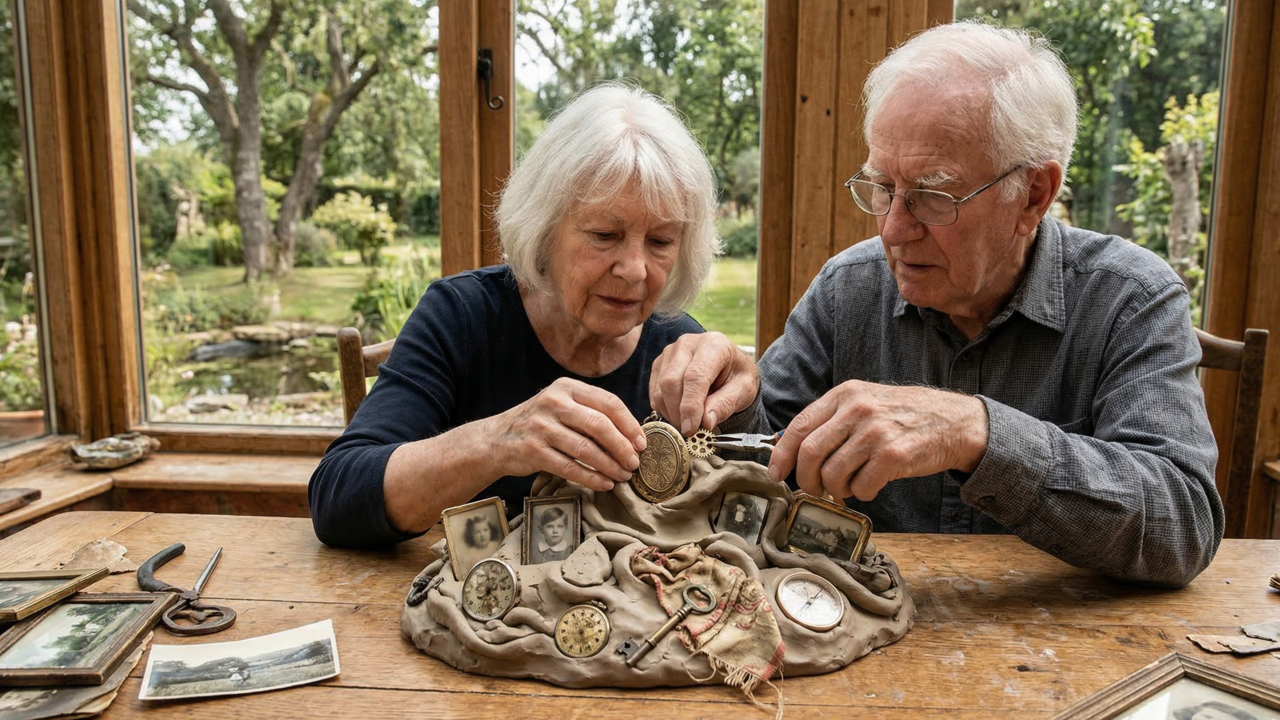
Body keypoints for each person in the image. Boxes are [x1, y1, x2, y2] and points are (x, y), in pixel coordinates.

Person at [649, 20, 1222, 587]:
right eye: (882, 188)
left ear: (1034, 195)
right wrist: (735, 400)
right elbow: (764, 469)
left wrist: (977, 432)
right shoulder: (849, 288)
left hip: (1076, 652)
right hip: (864, 636)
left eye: (931, 195)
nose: (894, 230)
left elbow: (1183, 525)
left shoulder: (1131, 299)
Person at [310, 82, 720, 548]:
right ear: (544, 228)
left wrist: (743, 408)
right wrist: (497, 441)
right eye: (605, 234)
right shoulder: (462, 315)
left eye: (661, 242)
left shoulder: (675, 348)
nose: (633, 269)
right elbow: (337, 500)